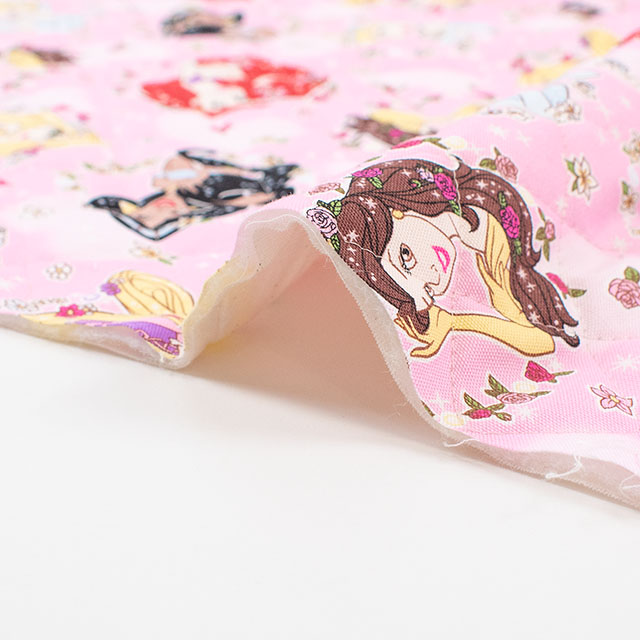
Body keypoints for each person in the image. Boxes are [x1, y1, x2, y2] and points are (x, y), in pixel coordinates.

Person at [307, 158, 579, 358]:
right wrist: (453, 321)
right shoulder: (483, 245)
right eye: (426, 289)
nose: (435, 279)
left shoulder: (490, 237)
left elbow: (541, 341)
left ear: (397, 211)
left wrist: (455, 322)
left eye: (406, 256)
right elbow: (539, 340)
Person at [88, 148, 298, 240]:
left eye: (143, 214)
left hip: (245, 168)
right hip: (258, 181)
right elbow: (246, 200)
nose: (162, 209)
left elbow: (179, 158)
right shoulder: (209, 203)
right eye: (170, 217)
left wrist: (181, 178)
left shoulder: (170, 179)